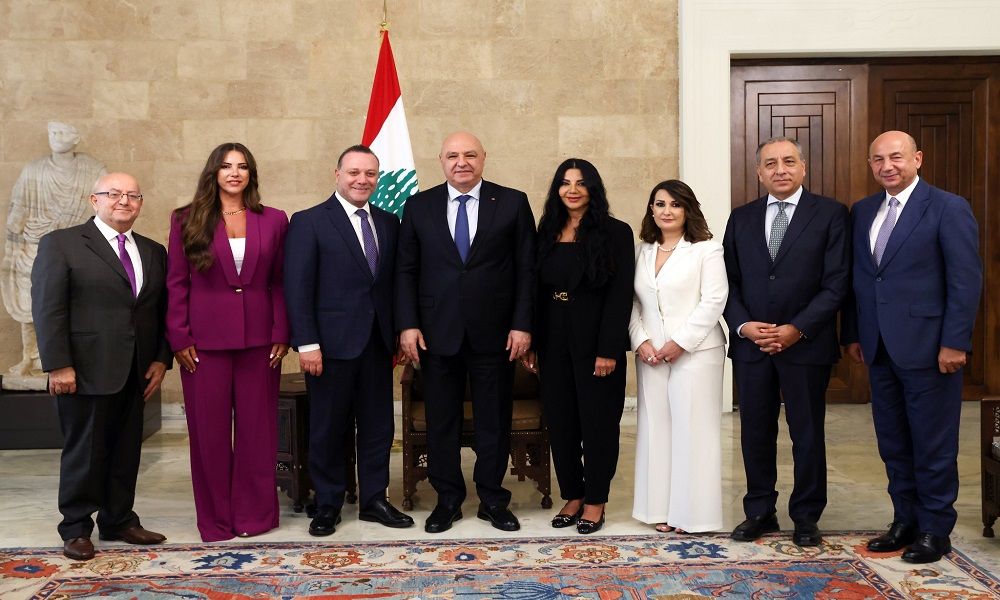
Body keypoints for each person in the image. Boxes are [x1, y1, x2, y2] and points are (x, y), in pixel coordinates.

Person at [843, 130, 982, 564]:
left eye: (897, 157)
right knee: (894, 442)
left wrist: (955, 342)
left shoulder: (947, 207)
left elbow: (965, 281)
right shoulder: (863, 210)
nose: (887, 166)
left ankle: (935, 530)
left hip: (931, 348)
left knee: (932, 443)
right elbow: (861, 278)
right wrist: (854, 333)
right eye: (878, 159)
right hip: (879, 347)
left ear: (917, 159)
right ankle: (904, 520)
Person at [396, 132, 535, 534]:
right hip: (435, 333)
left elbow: (527, 269)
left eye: (470, 154)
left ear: (483, 158)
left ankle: (493, 499)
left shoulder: (512, 202)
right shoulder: (418, 206)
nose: (462, 162)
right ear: (440, 160)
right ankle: (448, 500)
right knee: (442, 420)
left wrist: (523, 324)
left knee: (494, 419)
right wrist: (407, 324)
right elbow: (405, 270)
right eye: (453, 155)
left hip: (496, 333)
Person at [31, 172, 170, 561]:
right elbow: (48, 308)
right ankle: (76, 527)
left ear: (140, 204)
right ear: (94, 200)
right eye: (114, 194)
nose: (124, 201)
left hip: (137, 369)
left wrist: (162, 358)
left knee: (126, 451)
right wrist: (58, 365)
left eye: (133, 195)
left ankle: (119, 519)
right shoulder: (62, 243)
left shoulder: (153, 250)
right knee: (85, 452)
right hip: (84, 369)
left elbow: (162, 310)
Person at [722, 136, 850, 547]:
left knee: (807, 433)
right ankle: (759, 511)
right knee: (755, 432)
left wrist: (798, 328)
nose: (780, 169)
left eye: (789, 161)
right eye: (771, 163)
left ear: (803, 167)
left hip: (806, 345)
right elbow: (727, 283)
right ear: (758, 172)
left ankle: (806, 516)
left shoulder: (830, 214)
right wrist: (743, 325)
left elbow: (837, 283)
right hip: (752, 347)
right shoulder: (741, 218)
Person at [284, 145, 413, 536]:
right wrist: (307, 343)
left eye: (370, 174)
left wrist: (398, 331)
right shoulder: (309, 221)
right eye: (354, 172)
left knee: (378, 427)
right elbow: (297, 286)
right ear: (337, 174)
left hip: (377, 344)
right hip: (329, 347)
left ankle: (374, 500)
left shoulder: (389, 222)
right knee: (328, 428)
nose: (362, 180)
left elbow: (393, 284)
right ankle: (328, 503)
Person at [165, 143, 289, 542]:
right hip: (203, 344)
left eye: (242, 166)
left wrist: (281, 331)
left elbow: (280, 282)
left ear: (251, 174)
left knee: (258, 432)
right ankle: (216, 520)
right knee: (209, 435)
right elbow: (176, 283)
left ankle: (254, 516)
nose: (234, 173)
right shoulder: (186, 219)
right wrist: (179, 336)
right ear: (213, 172)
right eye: (226, 166)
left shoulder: (274, 219)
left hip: (260, 341)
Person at [522, 159, 633, 535]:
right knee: (562, 422)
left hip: (596, 342)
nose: (572, 190)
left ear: (593, 189)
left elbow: (620, 296)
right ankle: (573, 494)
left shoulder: (616, 232)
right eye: (565, 183)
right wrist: (532, 341)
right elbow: (535, 290)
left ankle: (596, 499)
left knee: (598, 423)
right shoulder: (546, 230)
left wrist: (609, 349)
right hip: (552, 339)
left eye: (581, 183)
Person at [629, 180, 727, 534]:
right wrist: (640, 340)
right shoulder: (641, 251)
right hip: (650, 354)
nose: (667, 211)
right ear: (651, 210)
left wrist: (680, 343)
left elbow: (714, 300)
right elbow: (631, 302)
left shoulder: (706, 250)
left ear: (688, 210)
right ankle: (658, 509)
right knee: (655, 429)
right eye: (660, 204)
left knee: (693, 430)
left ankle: (692, 515)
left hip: (697, 352)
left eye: (675, 204)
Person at [4, 122, 106, 379]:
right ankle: (31, 358)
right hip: (36, 243)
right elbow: (19, 205)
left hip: (80, 245)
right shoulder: (34, 170)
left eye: (62, 132)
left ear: (76, 138)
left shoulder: (93, 169)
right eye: (52, 132)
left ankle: (78, 359)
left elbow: (108, 201)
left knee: (81, 302)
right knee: (32, 301)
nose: (56, 137)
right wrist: (13, 237)